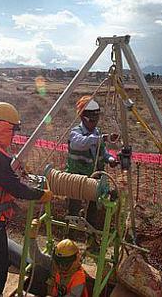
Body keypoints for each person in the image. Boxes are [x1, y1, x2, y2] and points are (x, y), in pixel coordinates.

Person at [0, 102, 53, 297]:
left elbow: (2, 173)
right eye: (12, 130)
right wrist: (41, 195)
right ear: (3, 128)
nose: (13, 136)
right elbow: (16, 188)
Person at [65, 96, 119, 229]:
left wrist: (111, 159)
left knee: (93, 211)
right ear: (83, 118)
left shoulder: (97, 133)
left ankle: (91, 237)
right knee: (74, 209)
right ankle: (70, 238)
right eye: (91, 120)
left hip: (95, 180)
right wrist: (103, 138)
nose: (94, 123)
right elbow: (81, 144)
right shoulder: (75, 133)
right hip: (76, 179)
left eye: (96, 119)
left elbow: (103, 152)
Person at [29, 220, 88, 297]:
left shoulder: (79, 276)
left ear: (75, 260)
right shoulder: (55, 264)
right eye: (58, 263)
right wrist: (32, 238)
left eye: (65, 264)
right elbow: (37, 257)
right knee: (37, 269)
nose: (61, 267)